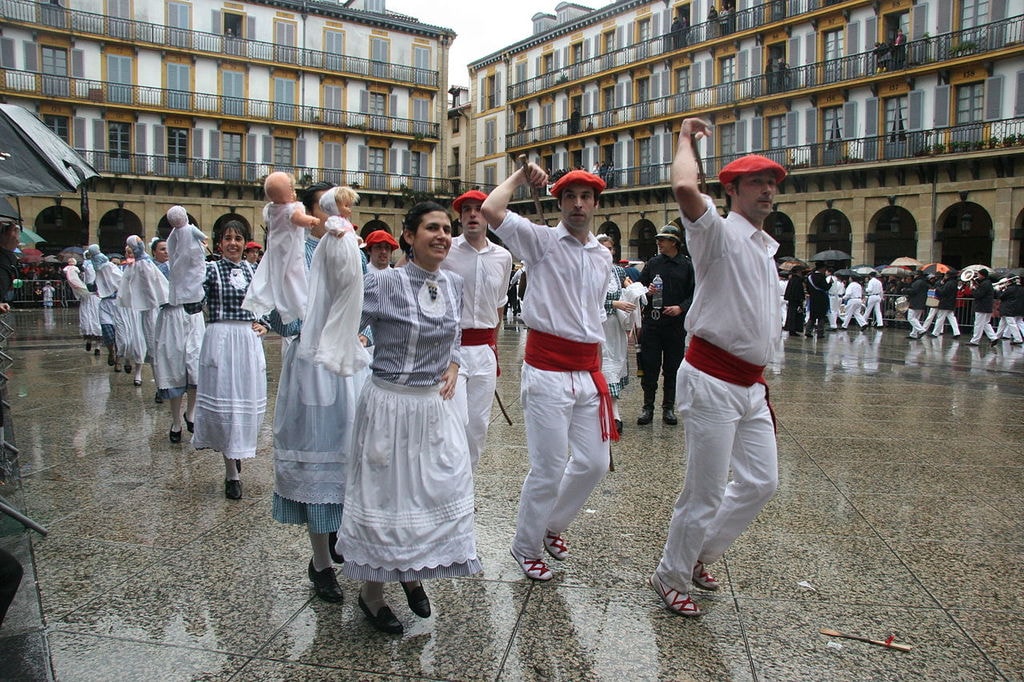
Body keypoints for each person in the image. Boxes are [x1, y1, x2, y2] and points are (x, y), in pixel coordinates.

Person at [650, 121, 784, 617]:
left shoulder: (766, 248)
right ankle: (670, 572)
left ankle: (701, 553)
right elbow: (685, 186)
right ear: (730, 189)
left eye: (772, 181)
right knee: (704, 489)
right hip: (711, 378)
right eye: (756, 182)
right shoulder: (718, 234)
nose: (768, 189)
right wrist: (686, 139)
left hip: (749, 384)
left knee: (761, 482)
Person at [338, 201, 479, 635]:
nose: (442, 235)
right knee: (386, 499)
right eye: (431, 228)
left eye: (446, 229)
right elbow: (343, 325)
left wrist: (454, 364)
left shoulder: (453, 283)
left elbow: (455, 334)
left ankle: (412, 570)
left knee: (435, 490)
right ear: (409, 237)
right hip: (390, 405)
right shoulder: (382, 283)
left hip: (432, 407)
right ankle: (372, 595)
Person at [481, 167, 614, 582]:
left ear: (594, 204)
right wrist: (520, 176)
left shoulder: (602, 254)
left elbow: (592, 312)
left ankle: (553, 523)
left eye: (585, 197)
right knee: (549, 466)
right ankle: (525, 546)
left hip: (588, 372)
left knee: (594, 462)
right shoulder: (538, 241)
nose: (578, 204)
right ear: (559, 203)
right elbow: (490, 208)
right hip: (547, 371)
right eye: (570, 196)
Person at [268, 181, 368, 604]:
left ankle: (341, 542)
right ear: (312, 214)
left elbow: (364, 303)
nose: (340, 214)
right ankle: (321, 563)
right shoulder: (295, 250)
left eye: (344, 206)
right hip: (310, 366)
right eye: (332, 207)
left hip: (346, 368)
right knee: (316, 462)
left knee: (350, 456)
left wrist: (359, 334)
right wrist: (310, 329)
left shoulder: (353, 249)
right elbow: (280, 311)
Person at [192, 220, 269, 500]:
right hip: (221, 337)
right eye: (227, 238)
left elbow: (266, 304)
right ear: (219, 243)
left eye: (238, 238)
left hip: (247, 341)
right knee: (226, 405)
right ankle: (231, 472)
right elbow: (192, 302)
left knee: (244, 404)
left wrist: (265, 324)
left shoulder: (253, 270)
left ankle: (236, 451)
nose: (233, 243)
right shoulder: (210, 270)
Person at [440, 190, 513, 471]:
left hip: (484, 350)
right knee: (454, 420)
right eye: (466, 209)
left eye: (479, 209)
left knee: (478, 425)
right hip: (451, 349)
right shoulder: (447, 251)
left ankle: (465, 486)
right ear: (459, 217)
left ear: (487, 217)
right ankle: (448, 483)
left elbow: (499, 306)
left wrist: (493, 349)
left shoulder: (503, 257)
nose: (473, 214)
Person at [156, 206, 208, 443]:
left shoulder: (196, 254)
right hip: (172, 317)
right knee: (175, 368)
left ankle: (192, 412)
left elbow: (202, 268)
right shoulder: (157, 270)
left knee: (196, 365)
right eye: (164, 249)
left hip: (193, 313)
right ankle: (176, 420)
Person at [242, 171, 321, 325]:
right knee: (295, 279)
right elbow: (298, 218)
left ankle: (265, 304)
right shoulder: (293, 208)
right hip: (291, 251)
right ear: (290, 192)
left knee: (271, 278)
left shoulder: (270, 209)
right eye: (292, 189)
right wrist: (312, 220)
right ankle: (302, 309)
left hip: (275, 251)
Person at [637, 224, 694, 426]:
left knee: (672, 368)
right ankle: (648, 406)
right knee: (650, 365)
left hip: (675, 325)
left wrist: (680, 307)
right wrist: (647, 291)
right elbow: (639, 287)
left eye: (663, 239)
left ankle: (668, 407)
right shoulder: (653, 263)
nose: (659, 243)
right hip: (653, 322)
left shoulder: (687, 265)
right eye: (658, 239)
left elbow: (694, 294)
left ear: (674, 242)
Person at [597, 234, 634, 435]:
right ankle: (610, 415)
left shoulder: (619, 272)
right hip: (597, 326)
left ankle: (613, 413)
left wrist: (634, 292)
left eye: (610, 248)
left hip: (615, 327)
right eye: (604, 248)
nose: (608, 252)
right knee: (603, 366)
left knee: (615, 366)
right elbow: (586, 301)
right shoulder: (589, 271)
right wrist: (613, 303)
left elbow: (628, 292)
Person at [967, 269, 998, 345]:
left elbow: (978, 294)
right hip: (986, 306)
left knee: (978, 324)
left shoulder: (985, 284)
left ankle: (975, 341)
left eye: (978, 274)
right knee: (986, 323)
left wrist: (973, 289)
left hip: (982, 306)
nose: (977, 276)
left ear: (982, 275)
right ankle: (993, 338)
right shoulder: (987, 283)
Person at [929, 270, 961, 338]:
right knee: (952, 317)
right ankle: (956, 332)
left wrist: (937, 288)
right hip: (951, 302)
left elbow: (943, 292)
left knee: (940, 318)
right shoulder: (954, 283)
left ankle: (935, 333)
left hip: (945, 303)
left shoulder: (949, 283)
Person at [993, 277, 1024, 345]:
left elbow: (1001, 296)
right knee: (1003, 323)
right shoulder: (1021, 288)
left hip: (1008, 309)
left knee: (1011, 324)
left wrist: (999, 290)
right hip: (1018, 308)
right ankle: (996, 337)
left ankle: (1018, 339)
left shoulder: (1010, 289)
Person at [804, 262, 829, 338]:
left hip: (813, 298)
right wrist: (830, 284)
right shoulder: (821, 277)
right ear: (822, 268)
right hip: (821, 299)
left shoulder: (810, 277)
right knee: (821, 316)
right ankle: (820, 332)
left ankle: (808, 330)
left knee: (812, 315)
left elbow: (808, 288)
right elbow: (825, 287)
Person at [904, 270, 930, 338]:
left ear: (917, 275)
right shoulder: (924, 282)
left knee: (910, 317)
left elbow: (913, 291)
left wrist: (906, 290)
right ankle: (913, 334)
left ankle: (921, 330)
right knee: (916, 318)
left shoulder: (917, 282)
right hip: (921, 302)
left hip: (915, 302)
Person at [782, 267, 806, 336]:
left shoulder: (792, 279)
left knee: (791, 314)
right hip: (796, 300)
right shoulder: (797, 280)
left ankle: (791, 328)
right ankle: (793, 329)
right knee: (795, 315)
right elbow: (798, 291)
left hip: (792, 300)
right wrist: (801, 298)